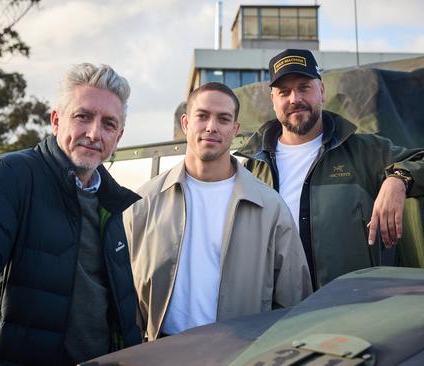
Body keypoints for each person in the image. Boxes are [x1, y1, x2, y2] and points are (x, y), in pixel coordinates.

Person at [0, 63, 141, 366]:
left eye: (109, 124)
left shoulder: (114, 201)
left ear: (118, 136)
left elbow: (118, 307)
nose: (94, 133)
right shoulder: (10, 176)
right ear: (56, 120)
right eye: (83, 116)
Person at [237, 49, 424, 289]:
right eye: (284, 92)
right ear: (273, 100)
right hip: (275, 314)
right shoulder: (250, 167)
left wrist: (398, 180)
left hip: (347, 310)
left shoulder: (363, 152)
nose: (295, 99)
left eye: (304, 87)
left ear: (321, 91)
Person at [124, 82, 312, 341]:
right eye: (202, 116)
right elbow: (124, 295)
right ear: (186, 123)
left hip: (240, 352)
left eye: (223, 119)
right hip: (161, 350)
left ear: (234, 130)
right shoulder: (143, 202)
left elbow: (294, 299)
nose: (211, 127)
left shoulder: (270, 208)